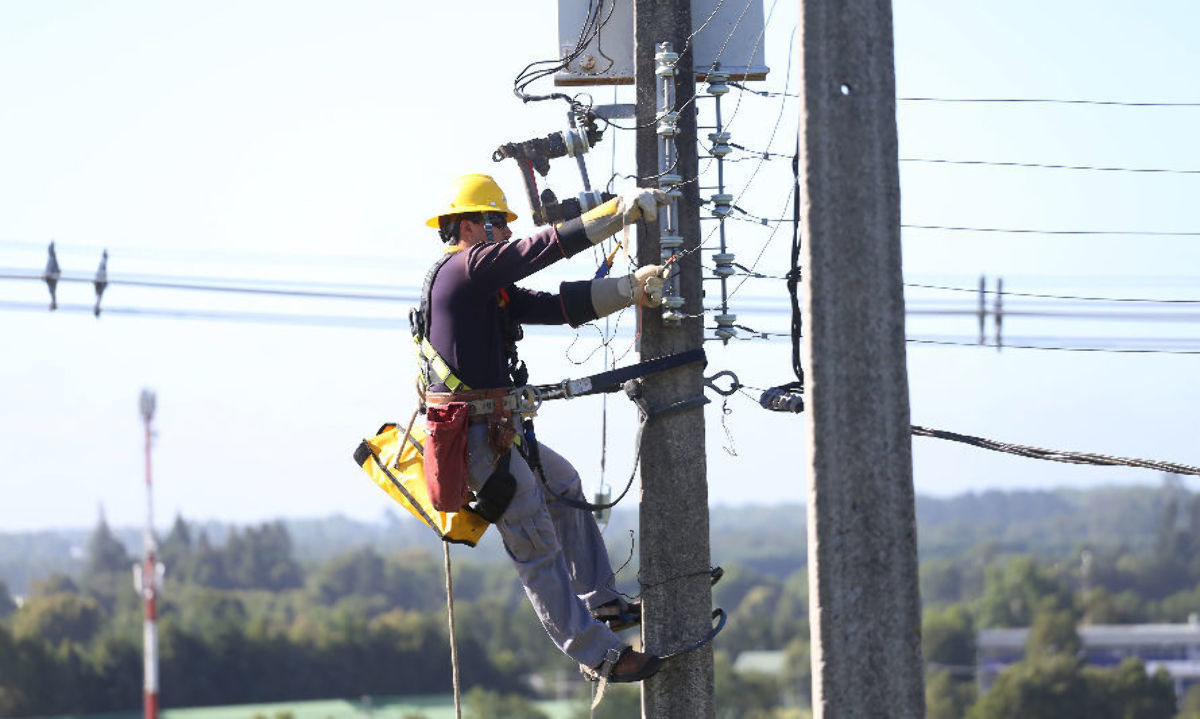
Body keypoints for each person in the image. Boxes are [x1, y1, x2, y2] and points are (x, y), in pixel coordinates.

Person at [415, 173, 670, 683]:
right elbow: (539, 249)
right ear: (467, 226)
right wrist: (617, 213)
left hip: (497, 431)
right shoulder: (463, 273)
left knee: (564, 484)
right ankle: (600, 655)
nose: (505, 233)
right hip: (477, 441)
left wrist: (627, 291)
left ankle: (604, 604)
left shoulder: (487, 290)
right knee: (535, 541)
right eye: (495, 222)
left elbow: (554, 306)